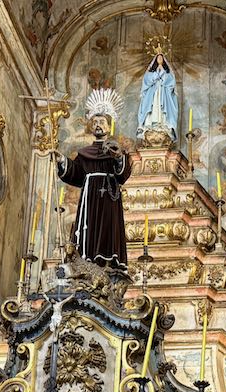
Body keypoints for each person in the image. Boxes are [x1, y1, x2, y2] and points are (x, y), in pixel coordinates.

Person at [55, 90, 132, 268]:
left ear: (109, 126)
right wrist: (62, 160)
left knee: (107, 226)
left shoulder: (116, 149)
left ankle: (108, 262)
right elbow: (76, 173)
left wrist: (118, 157)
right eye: (95, 122)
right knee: (88, 225)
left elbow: (122, 174)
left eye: (102, 122)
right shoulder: (85, 153)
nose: (98, 125)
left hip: (109, 198)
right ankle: (86, 259)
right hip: (89, 197)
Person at [137, 52, 177, 135]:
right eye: (158, 58)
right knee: (152, 107)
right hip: (153, 94)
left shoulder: (167, 73)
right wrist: (157, 73)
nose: (160, 59)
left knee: (162, 108)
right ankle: (151, 124)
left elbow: (171, 83)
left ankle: (163, 124)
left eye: (161, 58)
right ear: (155, 60)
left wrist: (162, 70)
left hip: (163, 94)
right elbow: (147, 80)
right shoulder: (150, 73)